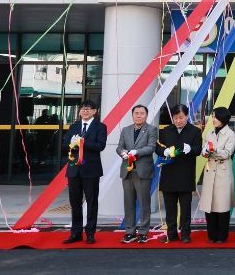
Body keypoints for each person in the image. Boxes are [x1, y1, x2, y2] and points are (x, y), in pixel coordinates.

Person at [155, 104, 202, 243]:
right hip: (169, 173)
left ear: (187, 116)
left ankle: (186, 234)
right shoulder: (166, 131)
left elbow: (198, 150)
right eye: (175, 118)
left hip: (186, 174)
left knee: (185, 208)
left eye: (181, 117)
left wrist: (191, 149)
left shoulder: (195, 131)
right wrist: (163, 151)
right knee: (170, 208)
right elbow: (158, 148)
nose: (178, 121)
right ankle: (171, 233)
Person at [62, 100, 107, 245]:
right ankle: (76, 233)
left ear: (94, 111)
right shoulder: (74, 126)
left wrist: (82, 143)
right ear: (79, 111)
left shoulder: (100, 127)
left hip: (91, 170)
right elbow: (65, 144)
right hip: (74, 170)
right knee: (75, 202)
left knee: (92, 202)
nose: (85, 111)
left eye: (88, 109)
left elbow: (100, 146)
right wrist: (72, 144)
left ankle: (90, 233)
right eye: (82, 109)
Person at [115, 104, 157, 244]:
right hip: (127, 171)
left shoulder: (151, 129)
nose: (139, 115)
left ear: (146, 115)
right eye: (136, 113)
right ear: (132, 115)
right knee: (128, 203)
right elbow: (119, 147)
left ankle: (143, 232)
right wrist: (122, 152)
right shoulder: (125, 130)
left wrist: (136, 152)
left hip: (143, 171)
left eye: (142, 113)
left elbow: (151, 147)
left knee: (144, 203)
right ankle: (130, 232)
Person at [198, 107, 235, 243]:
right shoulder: (209, 133)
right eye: (212, 116)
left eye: (215, 117)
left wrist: (214, 150)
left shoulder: (230, 134)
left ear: (223, 118)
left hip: (222, 171)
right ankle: (211, 235)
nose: (213, 119)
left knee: (222, 205)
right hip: (210, 171)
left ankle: (222, 235)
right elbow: (204, 150)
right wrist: (205, 152)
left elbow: (228, 153)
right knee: (209, 204)